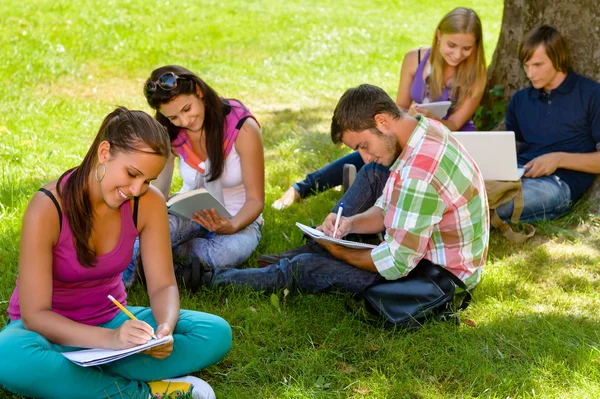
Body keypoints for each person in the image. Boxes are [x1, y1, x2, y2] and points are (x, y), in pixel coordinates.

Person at [0, 108, 232, 399]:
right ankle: (143, 393)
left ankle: (79, 377)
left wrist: (164, 329)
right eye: (132, 174)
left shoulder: (147, 203)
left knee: (214, 332)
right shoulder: (47, 207)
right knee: (8, 357)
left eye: (147, 180)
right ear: (105, 152)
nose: (137, 189)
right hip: (45, 334)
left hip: (112, 321)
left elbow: (163, 285)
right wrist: (109, 340)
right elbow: (35, 316)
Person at [200, 84, 489, 297]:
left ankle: (212, 279)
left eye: (363, 145)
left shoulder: (419, 174)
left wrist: (338, 251)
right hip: (422, 252)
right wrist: (349, 223)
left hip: (437, 278)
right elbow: (386, 209)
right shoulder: (423, 130)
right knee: (375, 171)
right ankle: (314, 247)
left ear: (382, 121)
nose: (364, 155)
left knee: (304, 269)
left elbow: (395, 264)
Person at [272, 7, 487, 210]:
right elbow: (399, 106)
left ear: (476, 46)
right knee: (373, 149)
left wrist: (431, 119)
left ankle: (341, 191)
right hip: (409, 129)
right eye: (452, 45)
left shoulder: (476, 74)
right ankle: (303, 187)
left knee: (378, 154)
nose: (458, 54)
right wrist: (409, 115)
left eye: (467, 48)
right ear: (439, 35)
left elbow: (455, 125)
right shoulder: (416, 58)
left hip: (449, 139)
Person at [127, 65, 264, 284]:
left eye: (187, 109)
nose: (184, 121)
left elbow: (256, 200)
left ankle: (158, 259)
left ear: (199, 91)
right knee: (147, 233)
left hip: (239, 219)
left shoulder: (242, 127)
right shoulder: (171, 132)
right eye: (174, 117)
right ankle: (119, 285)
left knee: (223, 255)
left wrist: (232, 226)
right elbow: (160, 192)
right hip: (191, 213)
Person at [497, 25, 600, 222]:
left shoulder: (591, 94)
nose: (530, 74)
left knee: (500, 202)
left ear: (558, 59)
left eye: (537, 65)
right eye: (526, 66)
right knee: (471, 192)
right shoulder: (520, 100)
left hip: (556, 184)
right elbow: (509, 147)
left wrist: (558, 159)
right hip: (518, 172)